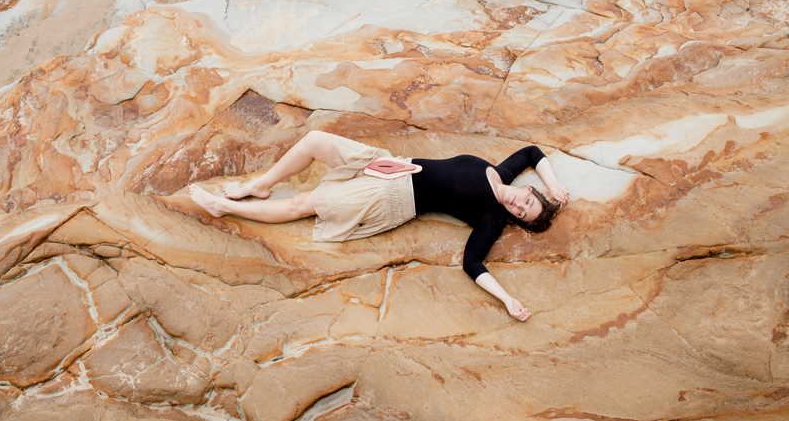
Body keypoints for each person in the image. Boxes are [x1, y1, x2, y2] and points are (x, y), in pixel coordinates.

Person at [189, 131, 569, 322]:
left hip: (390, 199)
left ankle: (222, 207)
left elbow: (472, 262)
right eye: (528, 201)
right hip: (388, 164)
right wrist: (554, 188)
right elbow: (534, 152)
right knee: (314, 140)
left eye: (522, 214)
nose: (519, 205)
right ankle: (260, 184)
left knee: (305, 205)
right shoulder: (502, 172)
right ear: (529, 189)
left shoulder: (491, 217)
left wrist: (506, 300)